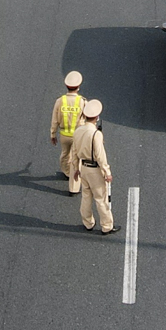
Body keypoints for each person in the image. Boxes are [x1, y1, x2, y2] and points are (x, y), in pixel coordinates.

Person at [71, 99, 118, 234]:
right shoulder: (96, 134)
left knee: (86, 196)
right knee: (101, 198)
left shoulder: (78, 131)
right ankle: (107, 226)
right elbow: (100, 155)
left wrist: (76, 168)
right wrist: (107, 172)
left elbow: (74, 152)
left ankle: (88, 222)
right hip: (95, 170)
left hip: (84, 169)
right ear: (96, 117)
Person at [49, 71, 88, 196]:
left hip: (64, 134)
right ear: (78, 87)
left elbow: (54, 119)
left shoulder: (60, 101)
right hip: (78, 135)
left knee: (65, 154)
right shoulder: (82, 101)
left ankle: (66, 172)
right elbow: (88, 118)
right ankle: (74, 187)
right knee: (77, 159)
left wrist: (53, 134)